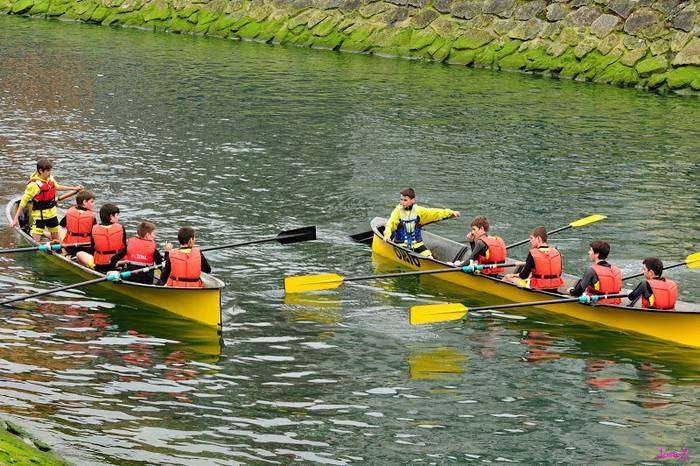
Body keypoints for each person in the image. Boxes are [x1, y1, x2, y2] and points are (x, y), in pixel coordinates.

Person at [10, 158, 83, 241]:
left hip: (52, 215)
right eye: (48, 171)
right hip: (40, 217)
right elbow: (23, 202)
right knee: (36, 241)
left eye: (50, 170)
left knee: (57, 240)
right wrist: (16, 218)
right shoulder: (34, 185)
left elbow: (57, 187)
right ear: (41, 171)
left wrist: (74, 188)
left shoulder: (50, 178)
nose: (50, 173)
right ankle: (30, 231)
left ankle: (44, 234)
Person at [383, 188, 460, 258]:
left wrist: (450, 212)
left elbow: (434, 212)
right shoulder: (397, 211)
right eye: (401, 199)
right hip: (401, 245)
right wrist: (387, 235)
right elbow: (390, 223)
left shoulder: (418, 210)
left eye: (405, 200)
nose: (402, 202)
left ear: (413, 200)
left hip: (417, 244)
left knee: (430, 257)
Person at [504, 226, 564, 292]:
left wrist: (515, 275)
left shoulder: (533, 253)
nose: (530, 241)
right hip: (554, 287)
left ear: (538, 238)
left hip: (538, 287)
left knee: (508, 277)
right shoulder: (556, 252)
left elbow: (523, 276)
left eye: (532, 238)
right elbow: (560, 273)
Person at [76, 203, 126, 274]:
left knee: (79, 254)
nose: (118, 217)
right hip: (119, 264)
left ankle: (87, 273)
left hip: (100, 266)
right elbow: (125, 248)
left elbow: (93, 249)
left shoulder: (94, 229)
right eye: (117, 215)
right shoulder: (121, 228)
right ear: (111, 216)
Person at [568, 240, 622, 304]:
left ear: (597, 254)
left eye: (591, 250)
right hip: (615, 301)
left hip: (598, 302)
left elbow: (577, 293)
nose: (588, 252)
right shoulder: (616, 270)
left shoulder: (591, 270)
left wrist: (571, 291)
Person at [60, 190, 96, 256]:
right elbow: (95, 233)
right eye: (92, 202)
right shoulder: (92, 216)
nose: (94, 204)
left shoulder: (70, 212)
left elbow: (62, 224)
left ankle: (65, 253)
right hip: (87, 248)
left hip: (70, 247)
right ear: (84, 202)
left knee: (62, 230)